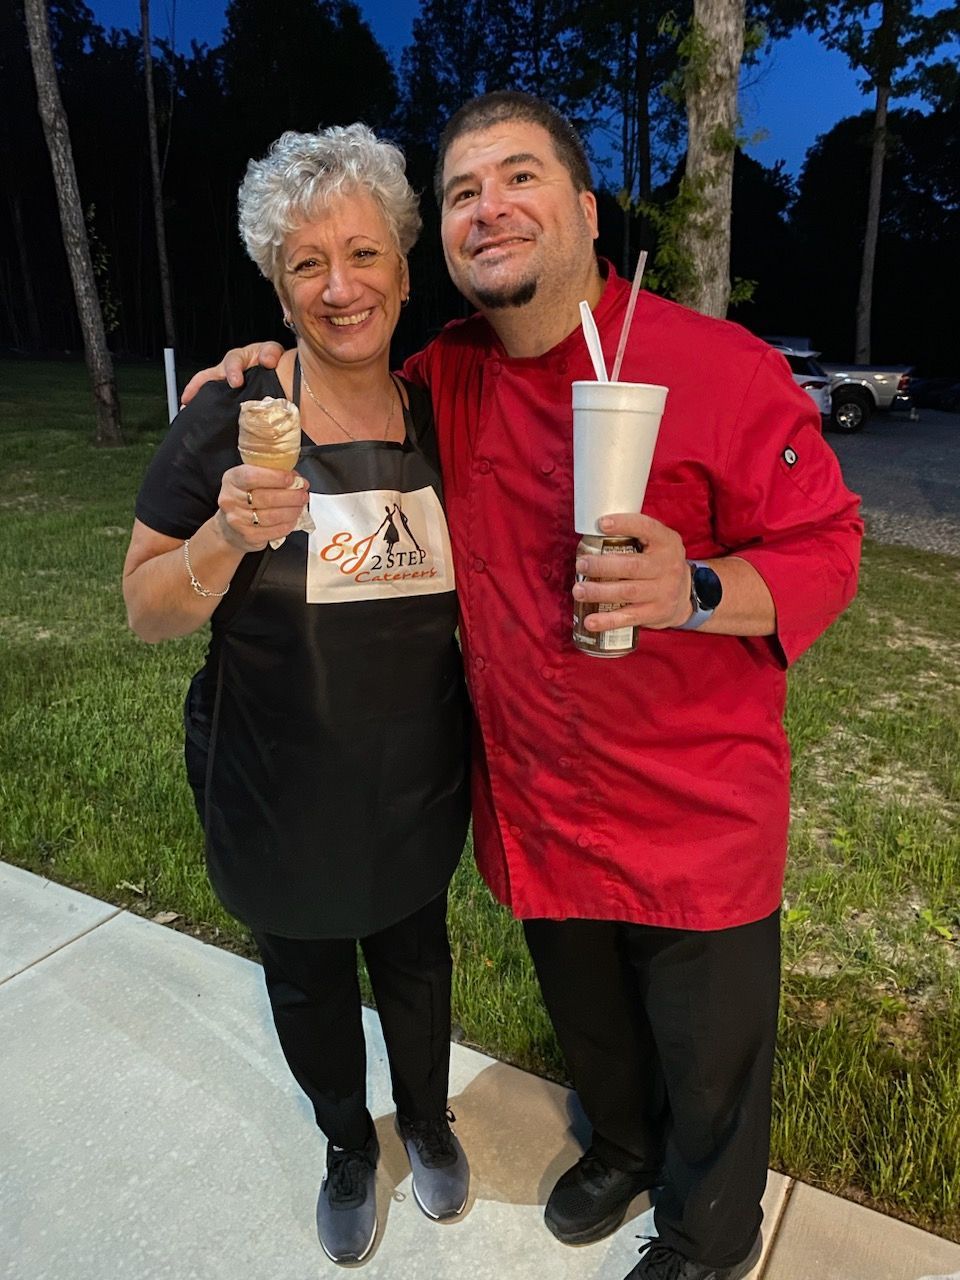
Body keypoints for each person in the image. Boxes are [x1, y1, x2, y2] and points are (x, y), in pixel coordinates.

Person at [184, 92, 863, 1280]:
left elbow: (829, 546)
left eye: (519, 178)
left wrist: (698, 587)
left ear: (586, 212)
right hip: (540, 805)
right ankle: (623, 1142)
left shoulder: (723, 367)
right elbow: (344, 372)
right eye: (460, 191)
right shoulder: (447, 374)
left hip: (692, 805)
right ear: (440, 236)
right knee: (596, 1031)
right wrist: (267, 357)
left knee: (710, 1061)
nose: (489, 205)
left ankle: (709, 1237)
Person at [122, 123, 472, 1267]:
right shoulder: (230, 416)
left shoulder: (441, 418)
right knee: (308, 972)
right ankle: (343, 1141)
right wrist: (225, 530)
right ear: (278, 284)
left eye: (363, 255)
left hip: (413, 765)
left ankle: (425, 1114)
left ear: (405, 271)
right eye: (307, 264)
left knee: (417, 958)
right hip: (275, 771)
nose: (340, 286)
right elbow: (145, 605)